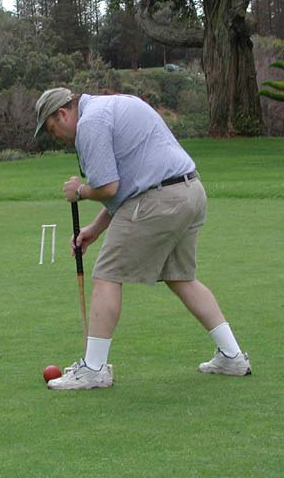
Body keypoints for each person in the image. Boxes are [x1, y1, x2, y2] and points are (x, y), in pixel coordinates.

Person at [34, 87, 251, 390]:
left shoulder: (90, 123)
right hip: (190, 192)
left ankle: (94, 369)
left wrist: (80, 191)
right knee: (181, 277)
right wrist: (94, 230)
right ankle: (233, 356)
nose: (53, 135)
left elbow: (108, 187)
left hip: (158, 199)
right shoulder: (114, 106)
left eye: (51, 128)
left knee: (106, 275)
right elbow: (127, 186)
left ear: (62, 113)